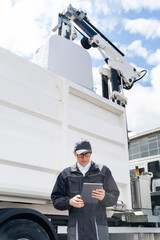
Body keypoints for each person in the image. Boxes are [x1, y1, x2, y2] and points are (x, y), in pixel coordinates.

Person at [51, 138, 119, 240]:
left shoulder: (103, 171)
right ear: (74, 154)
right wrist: (69, 201)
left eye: (87, 154)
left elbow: (114, 197)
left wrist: (104, 196)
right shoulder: (66, 174)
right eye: (80, 155)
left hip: (98, 227)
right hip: (77, 227)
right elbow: (56, 199)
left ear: (91, 153)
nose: (84, 158)